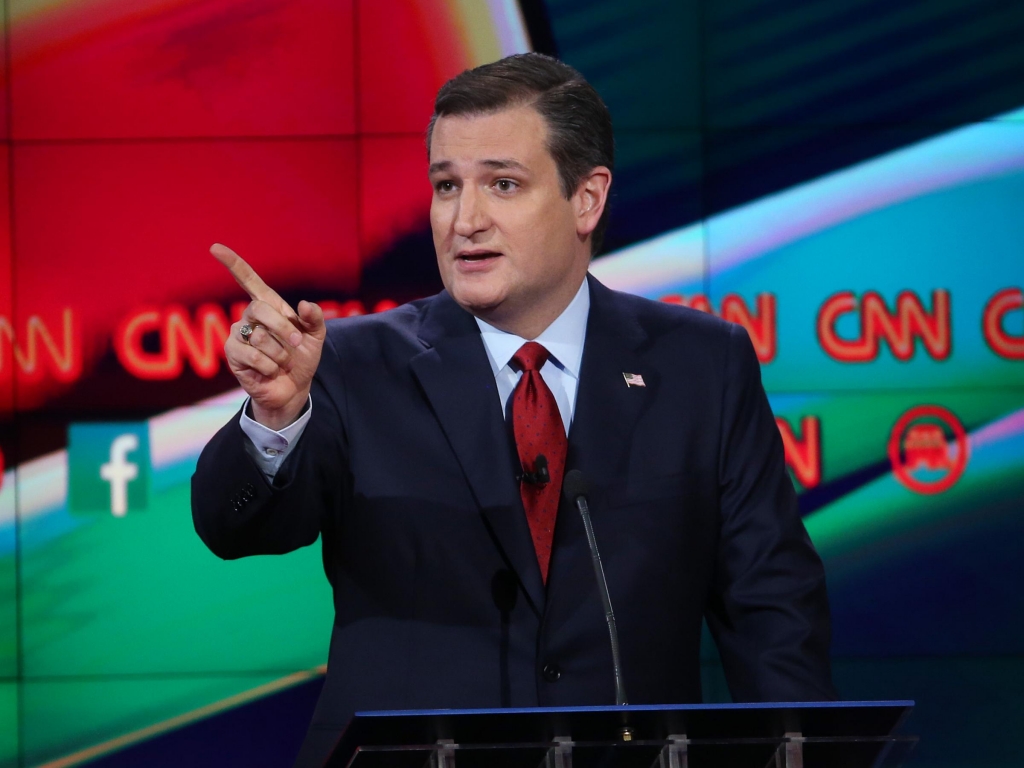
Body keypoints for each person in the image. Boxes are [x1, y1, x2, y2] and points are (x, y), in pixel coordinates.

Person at [192, 53, 835, 766]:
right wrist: (276, 418)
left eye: (503, 184)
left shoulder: (699, 366)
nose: (465, 219)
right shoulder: (350, 362)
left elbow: (772, 608)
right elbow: (235, 527)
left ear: (586, 200)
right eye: (446, 186)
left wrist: (799, 752)